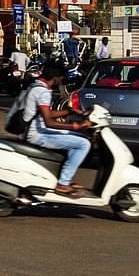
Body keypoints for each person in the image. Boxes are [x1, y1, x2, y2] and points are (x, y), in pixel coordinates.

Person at [22, 60, 92, 196]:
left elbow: (46, 114)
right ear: (55, 77)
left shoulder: (39, 87)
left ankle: (65, 177)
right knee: (83, 144)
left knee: (82, 138)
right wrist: (77, 126)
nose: (61, 80)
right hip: (38, 135)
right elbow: (49, 122)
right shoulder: (43, 92)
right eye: (61, 77)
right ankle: (63, 183)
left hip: (38, 130)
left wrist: (69, 112)